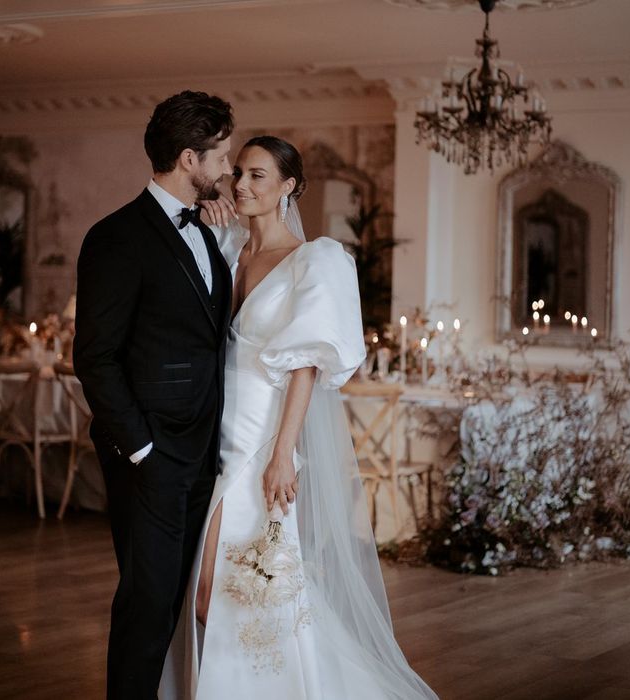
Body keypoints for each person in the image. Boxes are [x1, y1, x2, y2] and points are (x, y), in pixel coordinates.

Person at [160, 136, 437, 699]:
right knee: (209, 589)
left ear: (289, 187)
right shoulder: (227, 246)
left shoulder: (317, 260)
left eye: (258, 176)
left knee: (222, 588)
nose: (241, 185)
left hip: (261, 441)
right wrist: (205, 227)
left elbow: (307, 365)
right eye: (239, 172)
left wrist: (283, 453)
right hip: (209, 436)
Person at [73, 90, 236, 699]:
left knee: (172, 603)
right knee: (146, 604)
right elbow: (94, 358)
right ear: (190, 159)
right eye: (219, 156)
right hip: (149, 457)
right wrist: (141, 449)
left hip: (202, 453)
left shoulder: (209, 231)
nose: (226, 168)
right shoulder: (116, 237)